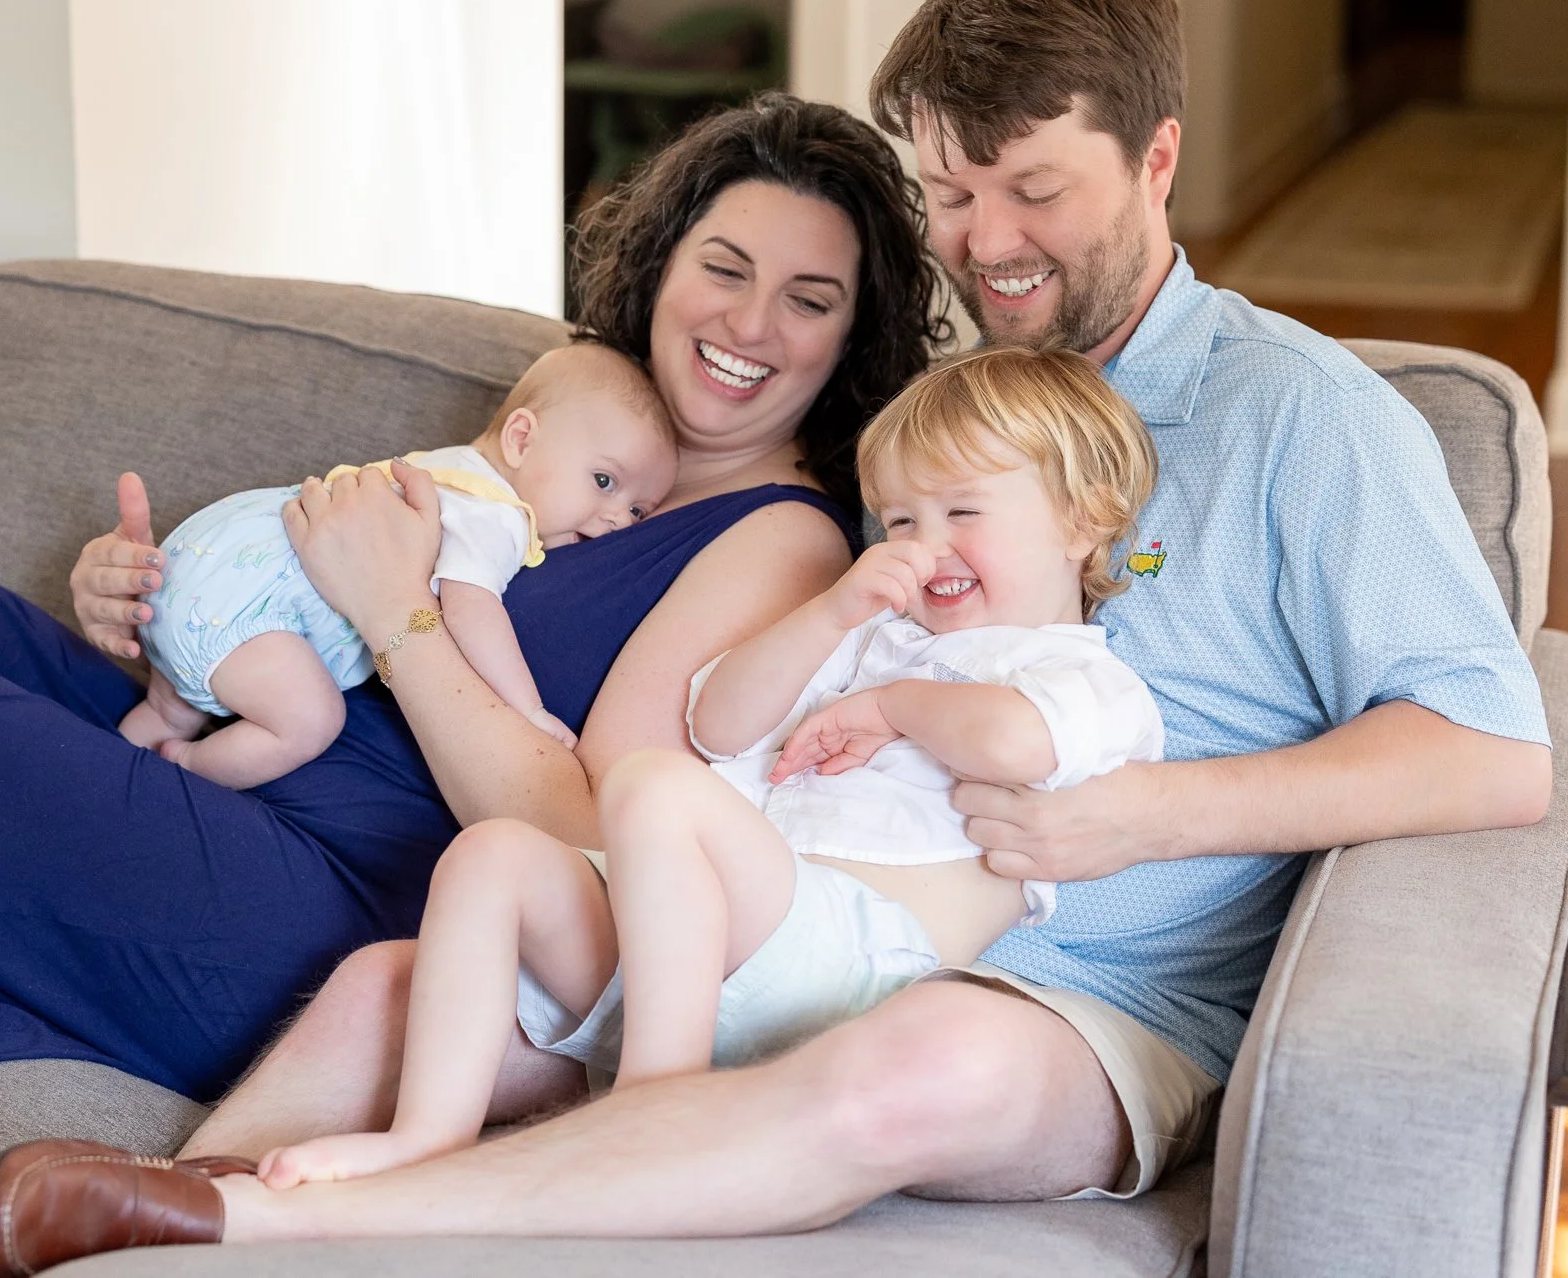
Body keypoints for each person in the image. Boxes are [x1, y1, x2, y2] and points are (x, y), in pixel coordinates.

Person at [0, 0, 1552, 1267]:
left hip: (1078, 996)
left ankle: (278, 1221)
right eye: (950, 192)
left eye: (1034, 190)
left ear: (1156, 159)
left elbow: (1496, 754)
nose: (987, 245)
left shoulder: (1306, 418)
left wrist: (1143, 814)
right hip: (809, 916)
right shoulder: (939, 426)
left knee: (918, 1060)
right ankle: (149, 1233)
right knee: (405, 983)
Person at [0, 91, 949, 1277]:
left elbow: (586, 827)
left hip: (349, 902)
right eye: (724, 267)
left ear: (853, 336)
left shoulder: (779, 535)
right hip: (253, 793)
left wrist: (394, 613)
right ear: (661, 266)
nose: (750, 322)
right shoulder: (573, 433)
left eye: (808, 299)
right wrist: (149, 618)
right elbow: (302, 615)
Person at [238, 345, 1164, 1194]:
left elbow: (1018, 745)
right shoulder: (878, 637)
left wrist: (892, 709)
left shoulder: (1080, 672)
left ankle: (651, 1108)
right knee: (494, 854)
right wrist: (833, 615)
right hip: (716, 946)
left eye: (962, 511)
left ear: (1083, 522)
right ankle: (427, 1131)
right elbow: (719, 721)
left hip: (863, 966)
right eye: (900, 520)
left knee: (649, 785)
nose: (923, 547)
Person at [122, 344, 677, 785]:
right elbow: (470, 607)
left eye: (638, 510)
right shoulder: (497, 512)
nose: (618, 519)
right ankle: (186, 767)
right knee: (311, 722)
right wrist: (528, 712)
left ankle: (132, 751)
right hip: (251, 606)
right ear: (521, 438)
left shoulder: (448, 468)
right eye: (604, 480)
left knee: (168, 709)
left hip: (201, 562)